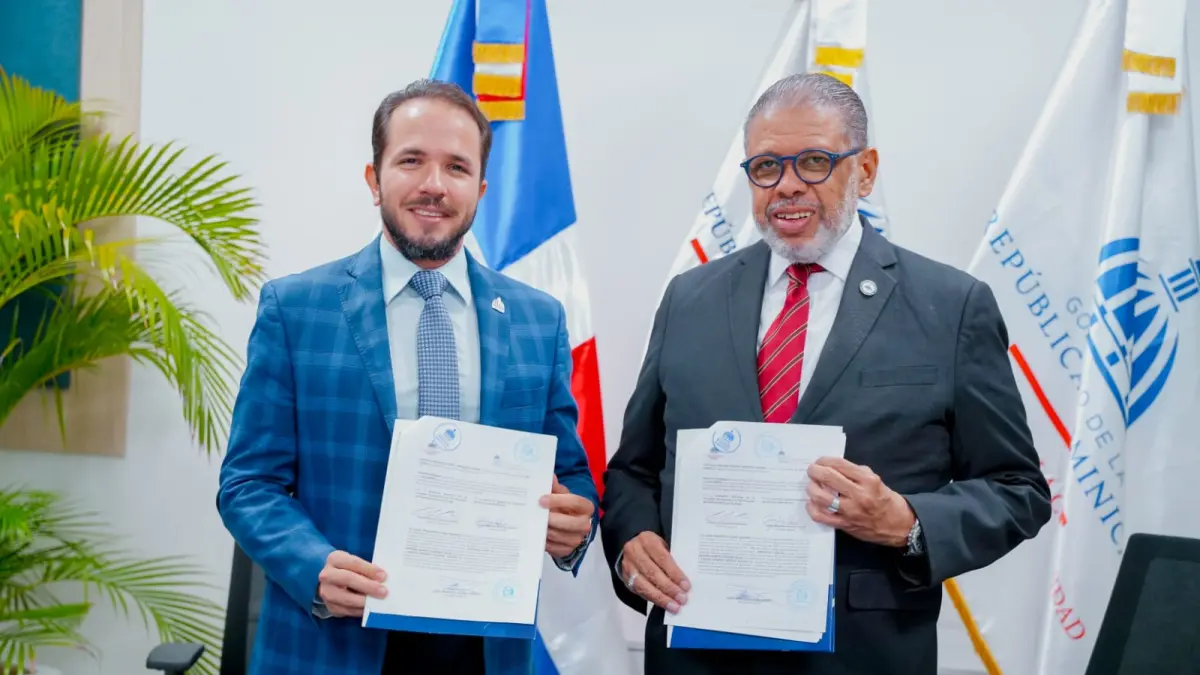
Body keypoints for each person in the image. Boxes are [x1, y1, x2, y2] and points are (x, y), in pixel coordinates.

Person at [599, 72, 1052, 675]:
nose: (787, 185)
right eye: (766, 167)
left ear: (865, 171)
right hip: (698, 654)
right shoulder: (690, 298)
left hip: (865, 656)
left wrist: (907, 522)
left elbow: (1017, 489)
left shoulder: (952, 306)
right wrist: (631, 543)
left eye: (814, 162)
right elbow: (634, 471)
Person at [217, 79, 599, 675]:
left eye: (457, 167)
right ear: (374, 179)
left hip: (485, 650)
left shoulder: (537, 319)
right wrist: (312, 566)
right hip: (335, 645)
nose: (434, 185)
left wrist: (577, 521)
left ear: (481, 189)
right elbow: (248, 482)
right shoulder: (296, 310)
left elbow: (570, 473)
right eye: (411, 160)